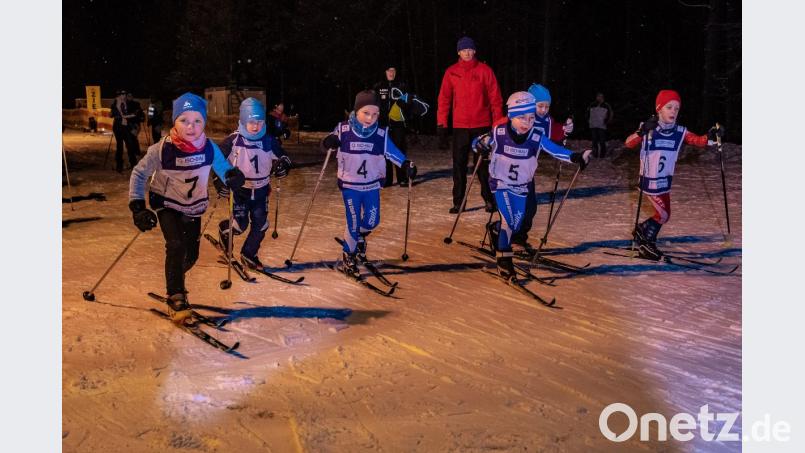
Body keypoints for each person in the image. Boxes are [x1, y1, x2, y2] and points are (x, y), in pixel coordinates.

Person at [128, 92, 245, 319]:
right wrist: (138, 207)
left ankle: (175, 279)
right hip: (167, 203)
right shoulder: (162, 149)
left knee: (191, 255)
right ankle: (176, 294)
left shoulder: (209, 148)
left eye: (197, 121)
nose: (191, 127)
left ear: (204, 123)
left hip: (194, 206)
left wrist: (233, 176)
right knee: (176, 245)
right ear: (174, 122)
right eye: (184, 120)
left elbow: (224, 168)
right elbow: (139, 173)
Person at [473, 91, 591, 278]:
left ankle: (495, 230)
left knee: (516, 224)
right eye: (521, 118)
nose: (527, 122)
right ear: (511, 116)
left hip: (522, 186)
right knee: (509, 221)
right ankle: (504, 261)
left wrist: (576, 156)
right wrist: (481, 144)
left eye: (530, 118)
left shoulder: (536, 136)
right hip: (500, 182)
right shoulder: (500, 131)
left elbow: (555, 150)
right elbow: (478, 142)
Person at [320, 90, 417, 274]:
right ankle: (348, 254)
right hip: (350, 186)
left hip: (372, 185)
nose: (370, 118)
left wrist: (406, 164)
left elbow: (393, 152)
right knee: (353, 223)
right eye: (365, 113)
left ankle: (359, 237)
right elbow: (325, 144)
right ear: (356, 112)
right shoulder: (343, 129)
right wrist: (329, 142)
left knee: (372, 221)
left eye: (374, 114)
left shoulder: (381, 134)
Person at [624, 89, 722, 260]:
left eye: (676, 109)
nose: (673, 112)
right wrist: (642, 132)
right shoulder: (649, 127)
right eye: (669, 107)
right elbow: (629, 143)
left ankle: (642, 230)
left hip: (664, 181)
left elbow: (698, 141)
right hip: (651, 181)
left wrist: (712, 137)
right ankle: (647, 244)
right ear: (659, 109)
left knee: (664, 214)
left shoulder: (679, 131)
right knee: (664, 214)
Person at [215, 98, 292, 269]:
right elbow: (217, 160)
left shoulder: (269, 140)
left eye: (259, 121)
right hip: (240, 191)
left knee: (261, 224)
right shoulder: (234, 140)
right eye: (251, 122)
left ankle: (249, 253)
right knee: (240, 225)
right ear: (242, 120)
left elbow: (283, 156)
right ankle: (225, 230)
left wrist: (284, 165)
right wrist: (220, 181)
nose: (256, 126)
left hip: (261, 190)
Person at [437, 36, 504, 214]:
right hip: (460, 127)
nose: (467, 53)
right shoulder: (451, 72)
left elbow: (495, 100)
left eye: (470, 49)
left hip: (482, 127)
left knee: (483, 167)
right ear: (458, 52)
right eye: (463, 50)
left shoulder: (485, 71)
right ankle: (459, 202)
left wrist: (497, 126)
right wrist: (442, 124)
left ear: (474, 51)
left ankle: (489, 200)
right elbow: (444, 99)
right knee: (458, 166)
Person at [373, 65, 429, 187]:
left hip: (398, 124)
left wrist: (409, 118)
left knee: (399, 149)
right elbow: (373, 104)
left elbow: (409, 103)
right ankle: (386, 180)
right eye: (388, 70)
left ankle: (402, 178)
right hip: (382, 124)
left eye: (393, 70)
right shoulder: (378, 86)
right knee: (385, 151)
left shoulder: (402, 85)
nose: (391, 73)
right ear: (384, 71)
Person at [110, 90, 141, 172]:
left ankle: (133, 163)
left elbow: (133, 111)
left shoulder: (126, 103)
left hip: (126, 127)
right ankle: (119, 165)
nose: (124, 96)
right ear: (118, 96)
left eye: (125, 94)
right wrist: (126, 116)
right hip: (118, 127)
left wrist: (134, 116)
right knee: (120, 146)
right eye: (122, 94)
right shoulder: (115, 104)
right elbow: (114, 114)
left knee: (129, 144)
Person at [587, 92, 614, 158]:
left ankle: (602, 156)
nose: (599, 98)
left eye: (601, 96)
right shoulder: (592, 105)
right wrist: (589, 120)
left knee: (602, 141)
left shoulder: (606, 105)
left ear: (603, 97)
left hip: (602, 126)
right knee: (594, 141)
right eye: (598, 96)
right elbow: (587, 113)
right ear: (596, 97)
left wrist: (606, 122)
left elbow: (611, 114)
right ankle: (595, 155)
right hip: (593, 126)